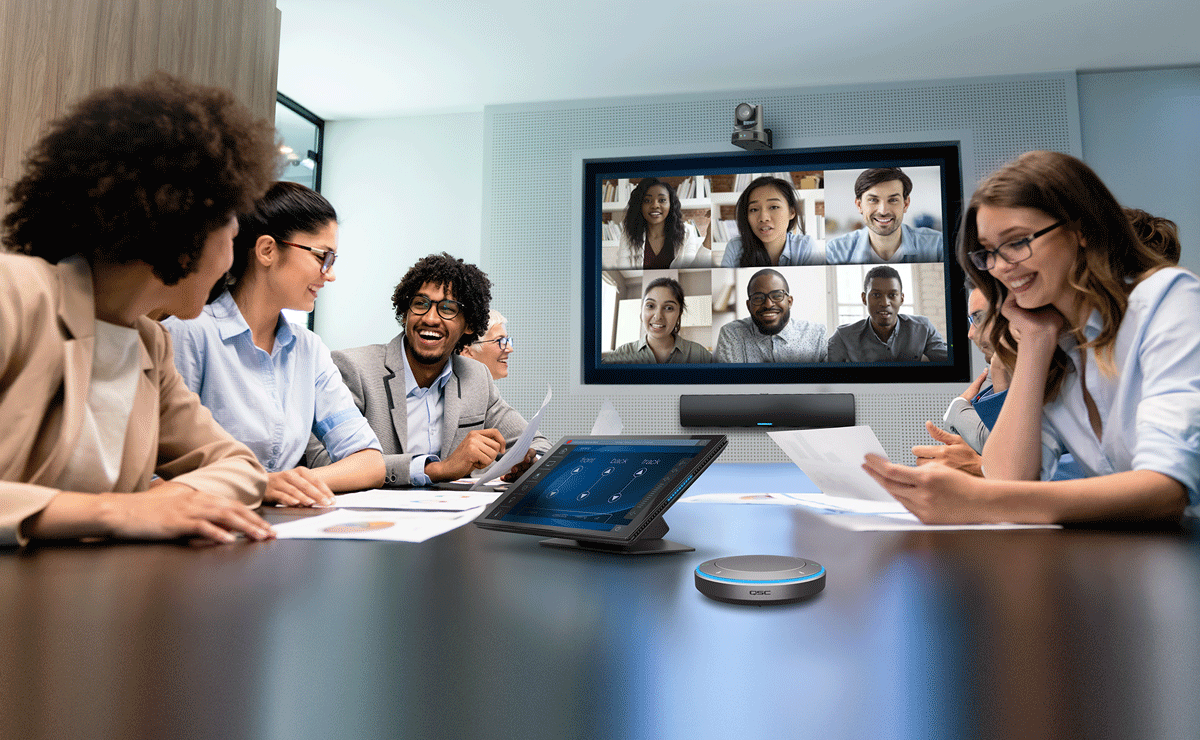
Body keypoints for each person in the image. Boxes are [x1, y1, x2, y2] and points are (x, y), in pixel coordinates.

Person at [0, 74, 278, 546]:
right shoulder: (16, 293)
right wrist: (116, 510)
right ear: (185, 221)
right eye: (232, 235)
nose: (232, 261)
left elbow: (239, 467)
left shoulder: (150, 344)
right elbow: (123, 512)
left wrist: (178, 501)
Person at [864, 150, 1198, 524]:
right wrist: (1036, 343)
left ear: (1082, 229)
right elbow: (1007, 476)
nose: (1002, 266)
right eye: (988, 251)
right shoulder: (1058, 343)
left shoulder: (1168, 298)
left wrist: (981, 501)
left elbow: (1167, 489)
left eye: (1018, 241)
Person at [164, 182, 384, 507]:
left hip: (279, 530)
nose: (331, 274)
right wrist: (257, 485)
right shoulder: (189, 334)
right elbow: (156, 474)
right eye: (323, 257)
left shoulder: (308, 349)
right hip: (199, 532)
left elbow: (369, 461)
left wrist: (287, 485)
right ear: (267, 250)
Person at [312, 253, 550, 486]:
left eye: (447, 309)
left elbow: (536, 443)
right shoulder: (352, 368)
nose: (430, 318)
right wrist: (434, 470)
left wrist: (529, 462)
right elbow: (322, 461)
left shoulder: (475, 377)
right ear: (405, 312)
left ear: (468, 324)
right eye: (420, 304)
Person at [911, 284, 1011, 474]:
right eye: (971, 320)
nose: (970, 333)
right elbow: (977, 442)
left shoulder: (1050, 370)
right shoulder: (997, 367)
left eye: (979, 318)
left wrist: (957, 407)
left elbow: (990, 444)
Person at [827, 266, 948, 362]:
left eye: (892, 295)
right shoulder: (843, 336)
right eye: (876, 295)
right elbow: (828, 379)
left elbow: (950, 365)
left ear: (901, 298)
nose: (885, 303)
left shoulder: (923, 328)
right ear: (864, 299)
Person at [824, 168, 943, 264]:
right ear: (859, 205)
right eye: (873, 200)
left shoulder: (938, 245)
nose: (883, 211)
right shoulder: (835, 251)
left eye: (893, 200)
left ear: (906, 204)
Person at [713, 269, 826, 363]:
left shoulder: (817, 335)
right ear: (748, 305)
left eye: (777, 296)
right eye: (758, 298)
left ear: (790, 301)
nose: (768, 304)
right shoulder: (732, 334)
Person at [721, 176, 822, 267]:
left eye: (774, 207)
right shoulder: (735, 248)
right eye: (754, 209)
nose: (763, 217)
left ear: (791, 212)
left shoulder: (804, 247)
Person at [606, 277, 713, 363]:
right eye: (650, 305)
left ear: (679, 314)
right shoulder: (623, 353)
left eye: (669, 308)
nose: (658, 316)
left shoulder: (699, 354)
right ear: (641, 310)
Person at [615, 178, 710, 269]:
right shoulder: (629, 235)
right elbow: (623, 270)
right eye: (647, 200)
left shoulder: (687, 232)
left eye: (662, 200)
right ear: (640, 205)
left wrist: (709, 236)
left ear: (671, 205)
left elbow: (690, 270)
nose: (655, 205)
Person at [460, 309, 514, 380]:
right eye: (500, 340)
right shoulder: (451, 390)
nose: (510, 349)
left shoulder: (489, 390)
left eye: (506, 340)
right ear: (467, 352)